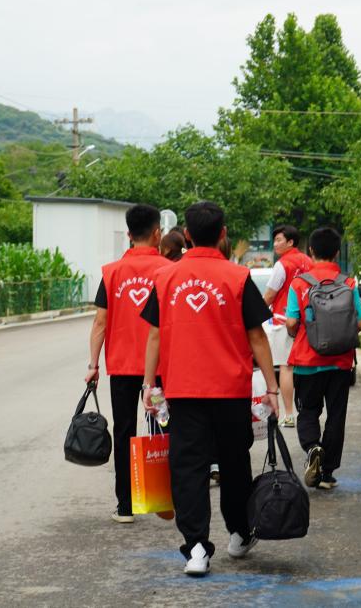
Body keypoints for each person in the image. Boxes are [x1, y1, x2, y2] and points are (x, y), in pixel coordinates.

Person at [140, 201, 280, 577]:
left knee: (189, 467)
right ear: (222, 233)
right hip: (230, 390)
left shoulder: (166, 277)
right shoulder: (237, 277)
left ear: (187, 234)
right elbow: (257, 337)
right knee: (234, 464)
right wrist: (272, 387)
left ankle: (197, 548)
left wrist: (149, 384)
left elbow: (154, 335)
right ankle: (239, 533)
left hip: (183, 390)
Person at [85, 203, 171, 524]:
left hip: (121, 369)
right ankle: (163, 495)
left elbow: (100, 322)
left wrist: (93, 365)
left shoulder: (112, 273)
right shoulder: (168, 270)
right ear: (157, 233)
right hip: (158, 371)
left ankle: (125, 506)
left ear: (129, 235)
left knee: (124, 431)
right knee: (163, 426)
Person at [285, 227, 361, 490]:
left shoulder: (300, 283)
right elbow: (360, 323)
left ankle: (312, 447)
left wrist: (297, 331)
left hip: (307, 361)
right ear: (336, 252)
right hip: (340, 362)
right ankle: (327, 473)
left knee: (308, 410)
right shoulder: (348, 283)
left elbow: (292, 322)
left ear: (311, 251)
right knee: (336, 415)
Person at [261, 225, 313, 428]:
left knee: (286, 367)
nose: (275, 244)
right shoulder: (308, 261)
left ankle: (289, 415)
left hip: (284, 321)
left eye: (279, 240)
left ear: (290, 242)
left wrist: (255, 312)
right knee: (305, 367)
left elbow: (270, 295)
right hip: (307, 321)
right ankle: (307, 411)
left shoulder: (282, 264)